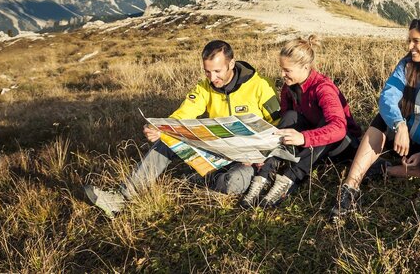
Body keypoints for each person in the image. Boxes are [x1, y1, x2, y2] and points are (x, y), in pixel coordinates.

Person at [84, 40, 280, 217]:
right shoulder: (204, 87)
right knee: (167, 140)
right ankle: (122, 197)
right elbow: (184, 113)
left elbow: (279, 128)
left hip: (250, 160)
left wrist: (262, 157)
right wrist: (160, 128)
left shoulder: (261, 86)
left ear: (231, 64)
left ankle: (198, 179)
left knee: (233, 183)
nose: (212, 78)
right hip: (217, 151)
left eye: (217, 71)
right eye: (207, 71)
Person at [329, 18, 420, 222]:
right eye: (409, 40)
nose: (410, 46)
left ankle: (386, 169)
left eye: (416, 41)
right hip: (402, 138)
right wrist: (399, 124)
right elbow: (387, 97)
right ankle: (350, 187)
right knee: (380, 120)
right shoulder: (406, 66)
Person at [240, 35, 362, 208]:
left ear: (305, 67)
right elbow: (288, 120)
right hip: (312, 144)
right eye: (281, 68)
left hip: (343, 146)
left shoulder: (323, 88)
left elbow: (339, 128)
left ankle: (290, 178)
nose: (282, 74)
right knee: (289, 116)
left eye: (287, 70)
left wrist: (304, 138)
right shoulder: (289, 87)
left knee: (325, 126)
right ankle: (264, 175)